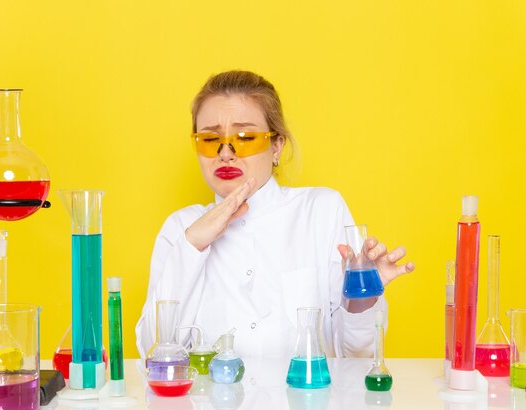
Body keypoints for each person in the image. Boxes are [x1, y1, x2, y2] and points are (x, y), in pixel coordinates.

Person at [136, 70, 414, 359]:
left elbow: (357, 355)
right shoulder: (181, 229)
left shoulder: (321, 210)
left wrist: (363, 298)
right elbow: (152, 354)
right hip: (211, 404)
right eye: (209, 139)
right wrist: (192, 246)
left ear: (277, 145)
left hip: (305, 402)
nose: (225, 153)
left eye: (245, 137)